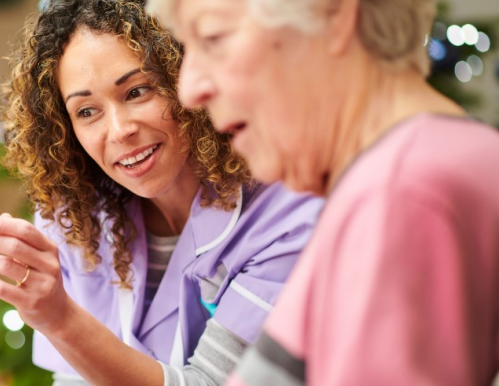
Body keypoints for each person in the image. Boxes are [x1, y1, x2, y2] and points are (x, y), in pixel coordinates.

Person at [0, 0, 323, 385]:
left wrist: (62, 319)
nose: (118, 131)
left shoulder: (286, 215)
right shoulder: (73, 220)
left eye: (137, 91)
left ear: (188, 76)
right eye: (86, 111)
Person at [147, 0, 499, 385]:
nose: (189, 89)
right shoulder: (430, 164)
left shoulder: (399, 193)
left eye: (215, 37)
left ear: (332, 16)